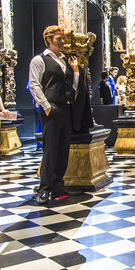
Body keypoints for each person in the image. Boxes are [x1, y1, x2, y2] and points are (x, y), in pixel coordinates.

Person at [28, 26, 79, 205]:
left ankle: (58, 184)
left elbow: (71, 85)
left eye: (63, 38)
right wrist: (47, 106)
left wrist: (76, 71)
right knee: (50, 150)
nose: (63, 41)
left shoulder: (65, 60)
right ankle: (45, 188)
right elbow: (34, 85)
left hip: (65, 108)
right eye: (59, 38)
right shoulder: (39, 60)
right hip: (52, 108)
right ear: (49, 39)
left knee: (63, 148)